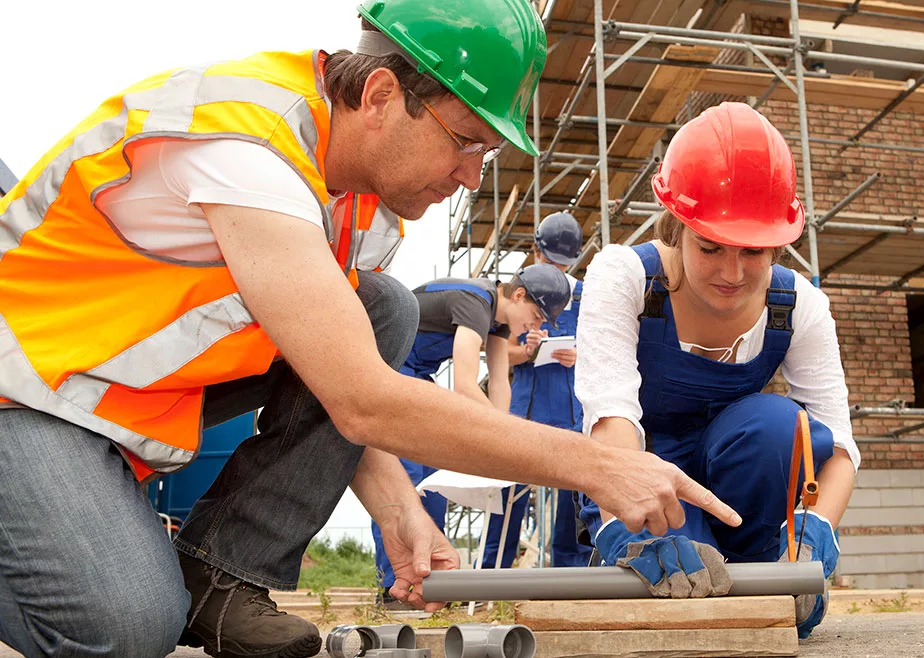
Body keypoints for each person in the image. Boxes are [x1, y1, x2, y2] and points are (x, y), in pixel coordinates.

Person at [0, 2, 742, 656]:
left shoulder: (364, 205)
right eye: (466, 141)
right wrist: (602, 466)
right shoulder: (247, 152)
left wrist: (400, 511)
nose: (470, 176)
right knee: (127, 629)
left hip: (106, 398)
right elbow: (363, 398)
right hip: (24, 394)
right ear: (383, 95)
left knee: (380, 304)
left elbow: (329, 370)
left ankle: (220, 575)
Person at [575, 102, 859, 638]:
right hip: (646, 480)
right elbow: (611, 421)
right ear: (678, 224)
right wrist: (630, 531)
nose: (733, 273)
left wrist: (817, 532)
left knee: (780, 426)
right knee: (668, 612)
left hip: (734, 486)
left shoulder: (799, 306)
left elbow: (838, 445)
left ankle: (758, 562)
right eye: (710, 247)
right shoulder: (625, 278)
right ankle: (650, 551)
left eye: (754, 251)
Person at [372, 264, 570, 588]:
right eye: (536, 317)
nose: (536, 325)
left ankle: (428, 583)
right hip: (388, 368)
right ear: (519, 295)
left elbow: (498, 385)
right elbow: (464, 386)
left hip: (415, 376)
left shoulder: (498, 322)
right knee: (405, 480)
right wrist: (505, 432)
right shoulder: (474, 301)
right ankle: (394, 586)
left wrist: (505, 440)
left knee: (432, 484)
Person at [500, 211, 594, 567]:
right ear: (535, 252)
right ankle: (494, 570)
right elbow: (499, 353)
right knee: (508, 493)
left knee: (573, 500)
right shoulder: (518, 294)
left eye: (563, 264)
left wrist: (580, 354)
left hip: (572, 411)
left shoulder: (586, 296)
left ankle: (571, 574)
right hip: (527, 411)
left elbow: (608, 348)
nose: (556, 270)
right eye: (549, 261)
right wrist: (525, 351)